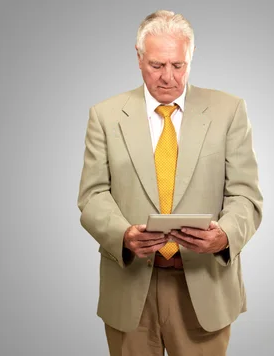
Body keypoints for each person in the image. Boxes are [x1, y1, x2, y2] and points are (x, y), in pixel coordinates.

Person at [77, 9, 263, 356]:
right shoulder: (104, 116)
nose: (168, 77)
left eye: (178, 65)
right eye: (157, 65)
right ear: (138, 58)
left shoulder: (229, 110)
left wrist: (224, 235)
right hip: (130, 287)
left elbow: (245, 195)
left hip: (204, 287)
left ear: (191, 58)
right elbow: (92, 196)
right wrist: (123, 236)